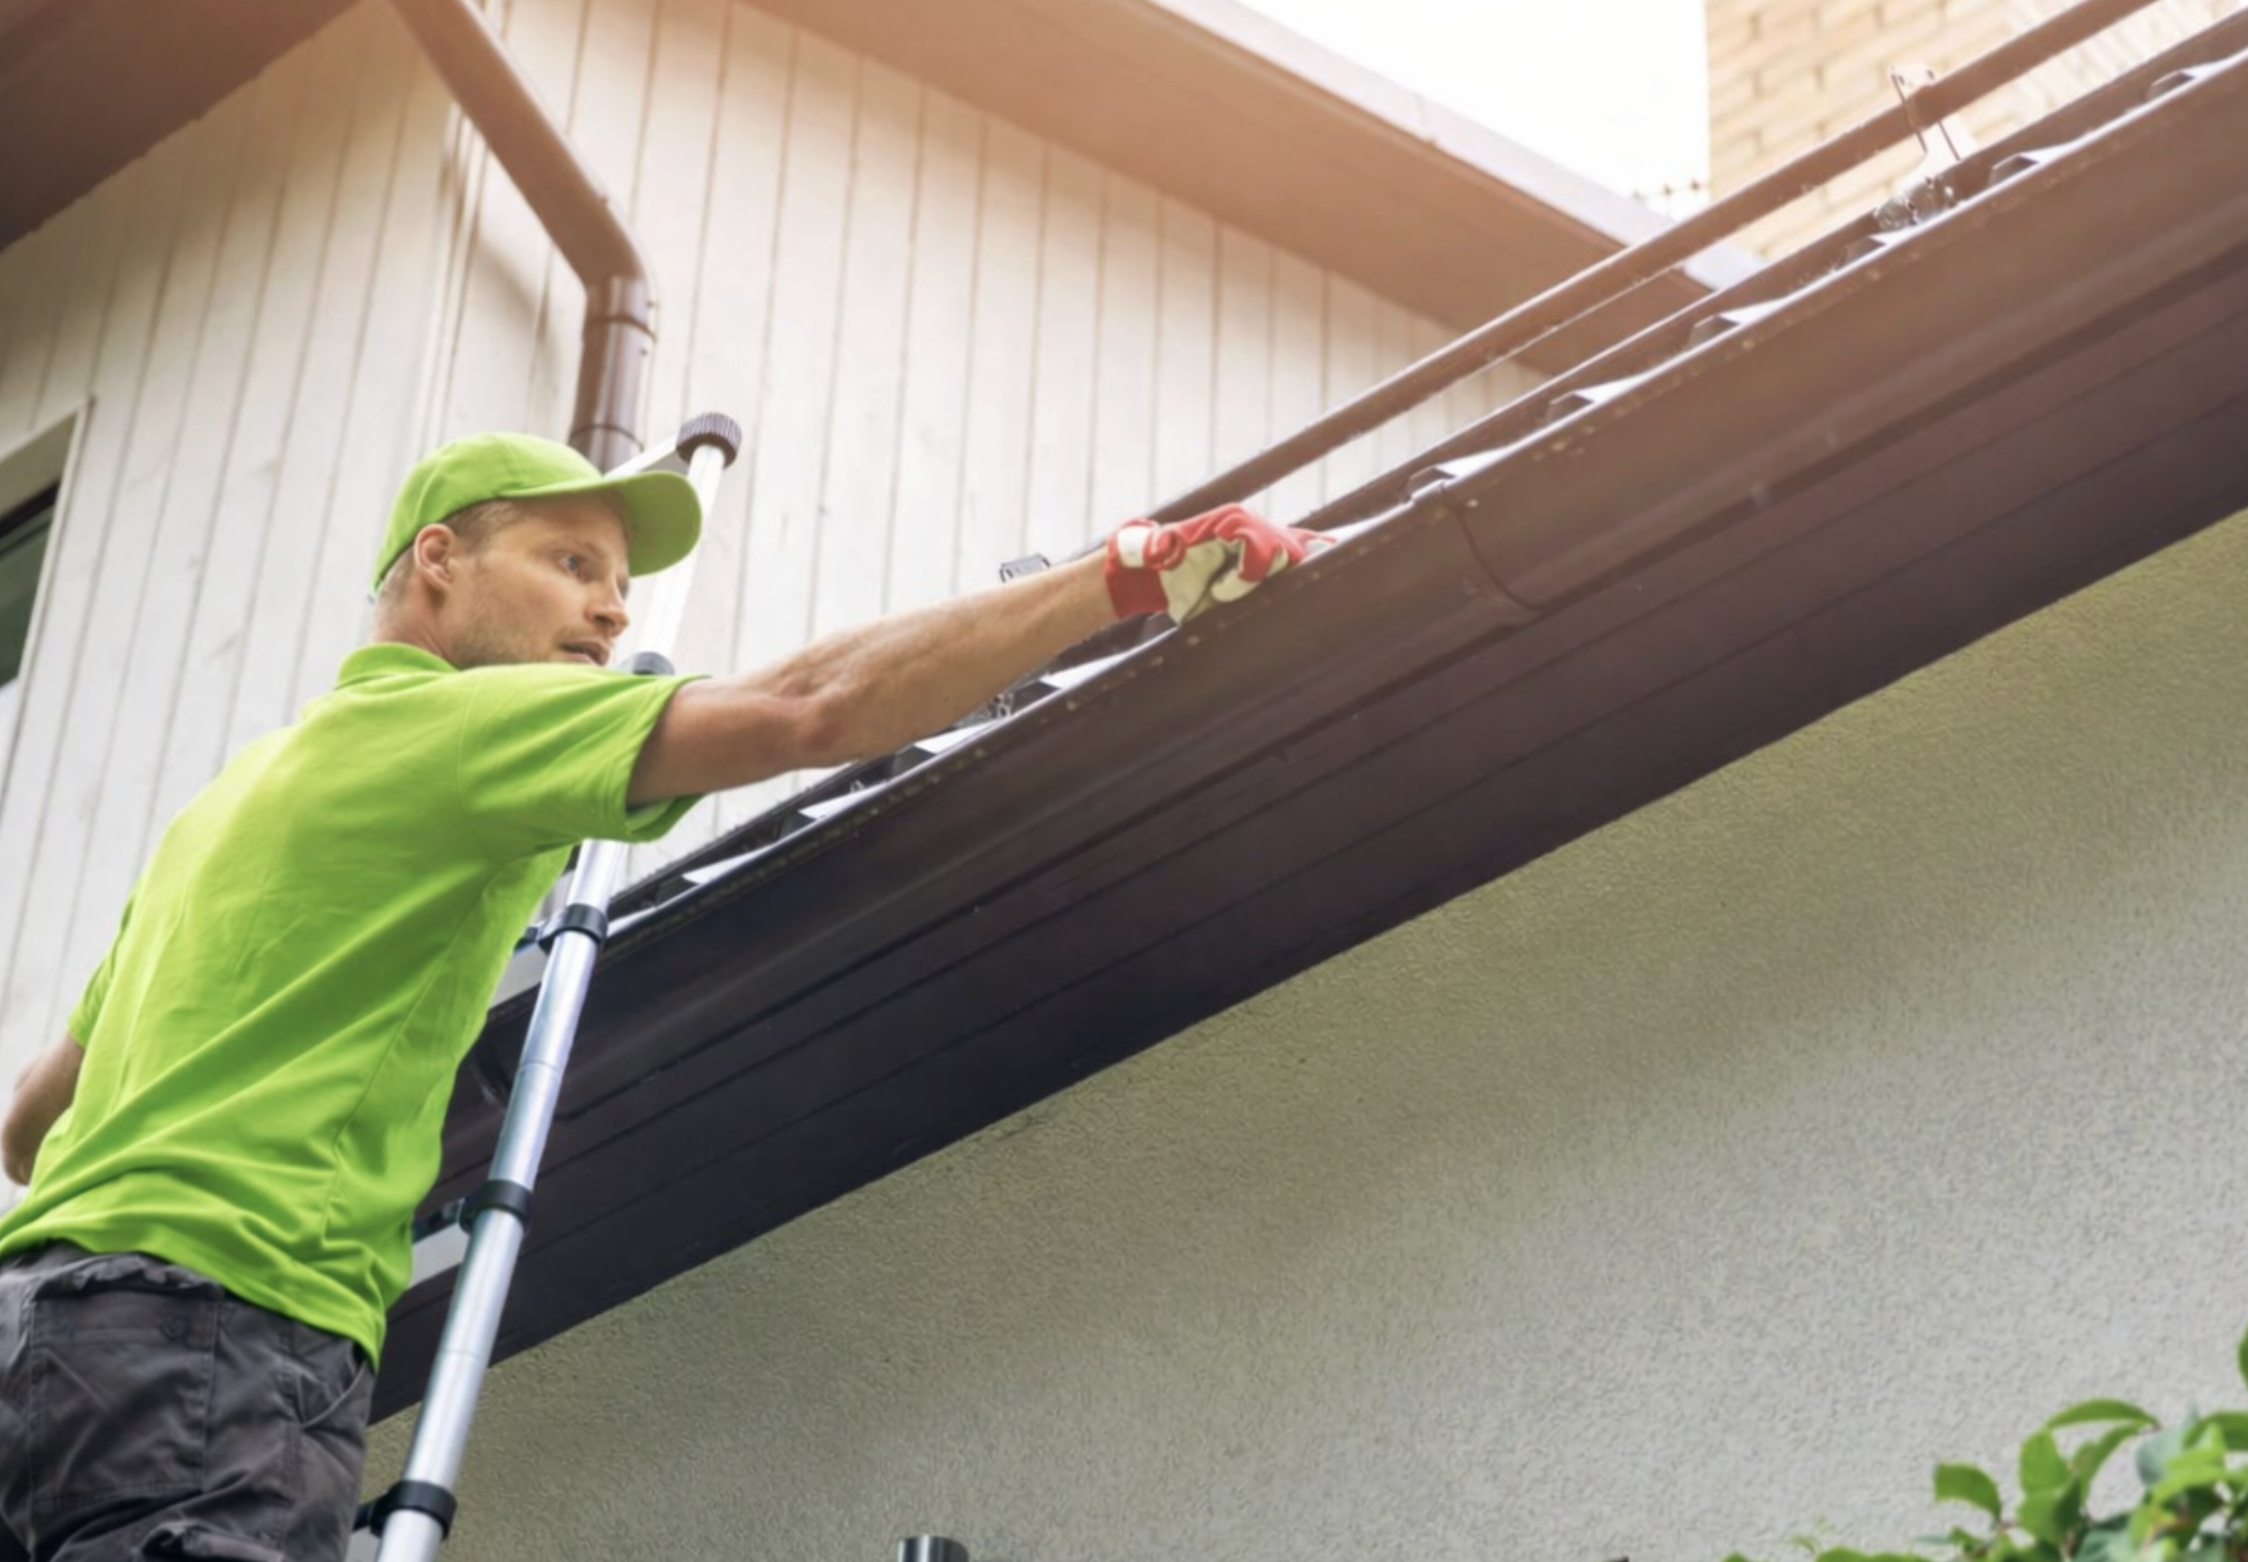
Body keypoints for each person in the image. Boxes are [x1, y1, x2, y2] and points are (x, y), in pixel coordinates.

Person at [0, 430, 1325, 1561]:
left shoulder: (226, 806)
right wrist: (1123, 572)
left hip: (38, 1342)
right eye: (571, 565)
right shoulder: (459, 726)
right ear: (438, 565)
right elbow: (808, 706)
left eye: (622, 583)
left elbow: (30, 1120)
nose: (614, 611)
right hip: (217, 1343)